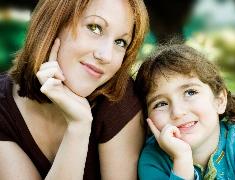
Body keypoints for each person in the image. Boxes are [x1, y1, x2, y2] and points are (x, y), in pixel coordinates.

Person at [0, 0, 148, 179]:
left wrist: (79, 123)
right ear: (54, 22)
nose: (106, 56)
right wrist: (79, 128)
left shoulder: (119, 99)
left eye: (120, 42)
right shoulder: (4, 110)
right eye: (95, 28)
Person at [135, 44, 235, 179]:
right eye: (161, 103)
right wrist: (182, 159)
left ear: (219, 101)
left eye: (190, 92)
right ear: (147, 117)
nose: (178, 112)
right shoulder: (152, 160)